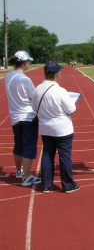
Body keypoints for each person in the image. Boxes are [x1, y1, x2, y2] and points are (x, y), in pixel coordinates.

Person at [32, 61, 80, 193]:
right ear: (56, 74)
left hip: (46, 128)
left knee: (47, 154)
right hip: (62, 128)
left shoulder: (38, 89)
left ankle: (47, 185)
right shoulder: (60, 91)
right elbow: (71, 109)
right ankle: (68, 185)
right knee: (64, 156)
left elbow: (34, 108)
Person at [4, 51, 41, 186]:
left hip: (15, 117)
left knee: (18, 146)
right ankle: (27, 176)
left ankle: (19, 171)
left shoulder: (8, 76)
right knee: (29, 147)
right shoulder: (25, 80)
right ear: (25, 63)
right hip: (28, 116)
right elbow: (34, 97)